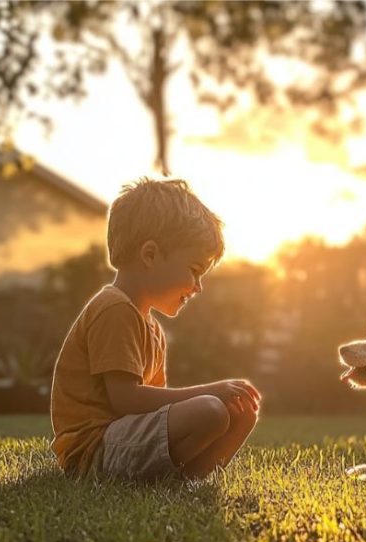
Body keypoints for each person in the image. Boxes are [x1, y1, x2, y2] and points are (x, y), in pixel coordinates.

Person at [50, 177, 261, 481]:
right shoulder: (114, 308)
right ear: (150, 255)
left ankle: (186, 482)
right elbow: (127, 401)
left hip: (124, 440)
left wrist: (222, 400)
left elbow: (153, 411)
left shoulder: (153, 330)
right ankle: (176, 480)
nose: (198, 287)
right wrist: (211, 390)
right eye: (194, 271)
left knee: (240, 412)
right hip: (93, 451)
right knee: (210, 410)